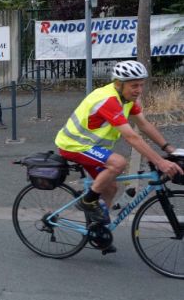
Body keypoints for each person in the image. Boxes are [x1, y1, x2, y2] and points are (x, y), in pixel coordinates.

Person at [55, 60, 183, 253]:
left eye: (141, 85)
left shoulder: (127, 99)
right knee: (119, 163)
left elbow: (144, 125)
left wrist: (169, 148)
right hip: (74, 145)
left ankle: (98, 230)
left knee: (111, 187)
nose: (139, 90)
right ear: (119, 84)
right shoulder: (108, 100)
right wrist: (160, 161)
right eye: (134, 85)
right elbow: (131, 137)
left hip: (92, 147)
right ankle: (88, 201)